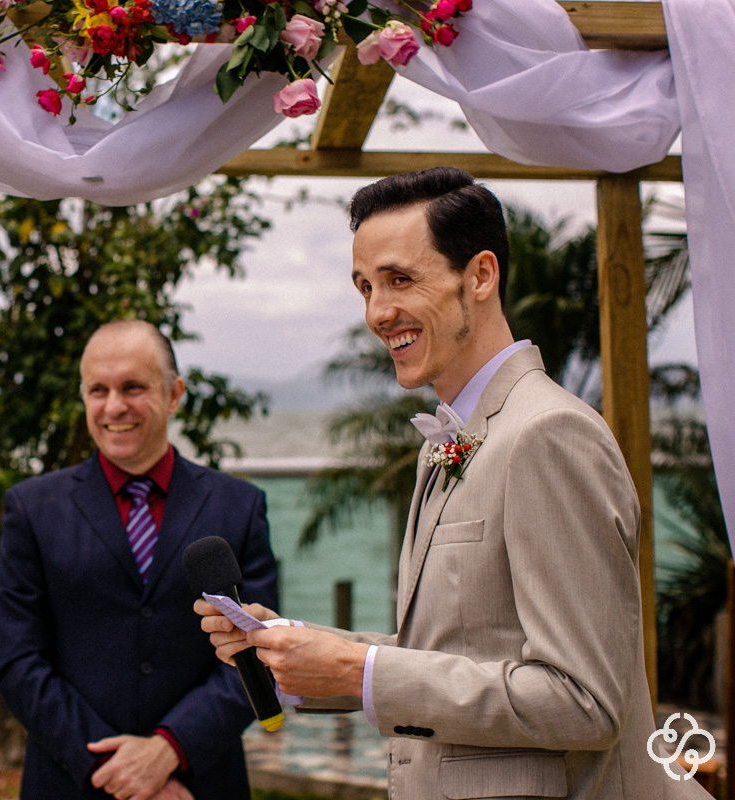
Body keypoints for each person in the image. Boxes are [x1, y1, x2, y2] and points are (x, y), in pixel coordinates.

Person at [197, 167, 711, 798]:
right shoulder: (451, 441)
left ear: (481, 276)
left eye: (399, 279)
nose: (378, 313)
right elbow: (460, 650)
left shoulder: (547, 435)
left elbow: (585, 701)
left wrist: (362, 669)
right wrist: (303, 655)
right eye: (364, 287)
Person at [0, 319, 278, 800]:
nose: (113, 407)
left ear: (173, 395)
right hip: (71, 782)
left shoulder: (239, 506)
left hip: (201, 784)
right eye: (97, 390)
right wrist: (118, 770)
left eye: (132, 388)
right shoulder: (32, 509)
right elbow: (19, 662)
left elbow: (257, 650)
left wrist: (170, 750)